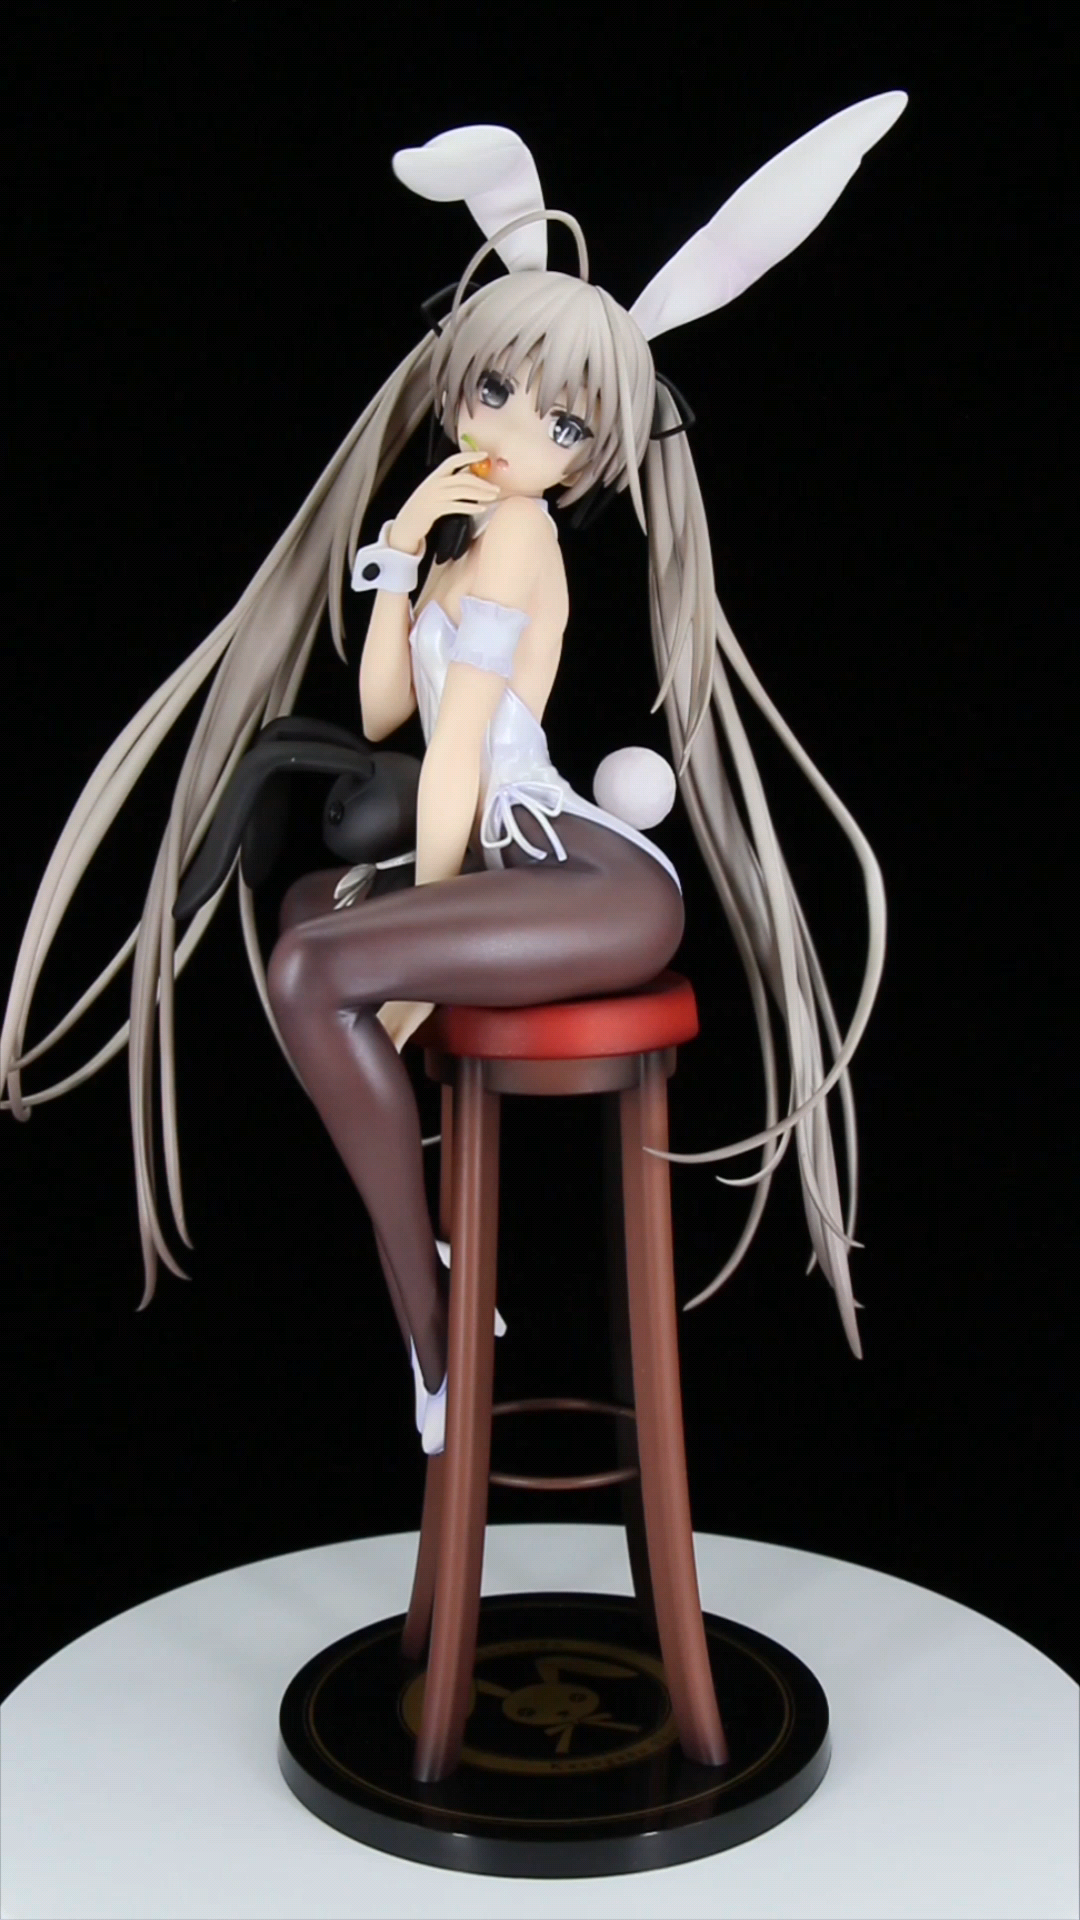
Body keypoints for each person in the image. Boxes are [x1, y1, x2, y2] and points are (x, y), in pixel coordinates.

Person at [1, 106, 904, 1455]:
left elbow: (462, 760)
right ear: (455, 384)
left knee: (315, 965)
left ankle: (431, 1317)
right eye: (493, 392)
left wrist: (415, 960)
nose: (513, 429)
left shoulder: (525, 539)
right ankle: (427, 1278)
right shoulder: (470, 537)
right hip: (514, 853)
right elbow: (386, 711)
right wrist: (397, 552)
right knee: (307, 917)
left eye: (561, 419)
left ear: (593, 452)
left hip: (588, 879)